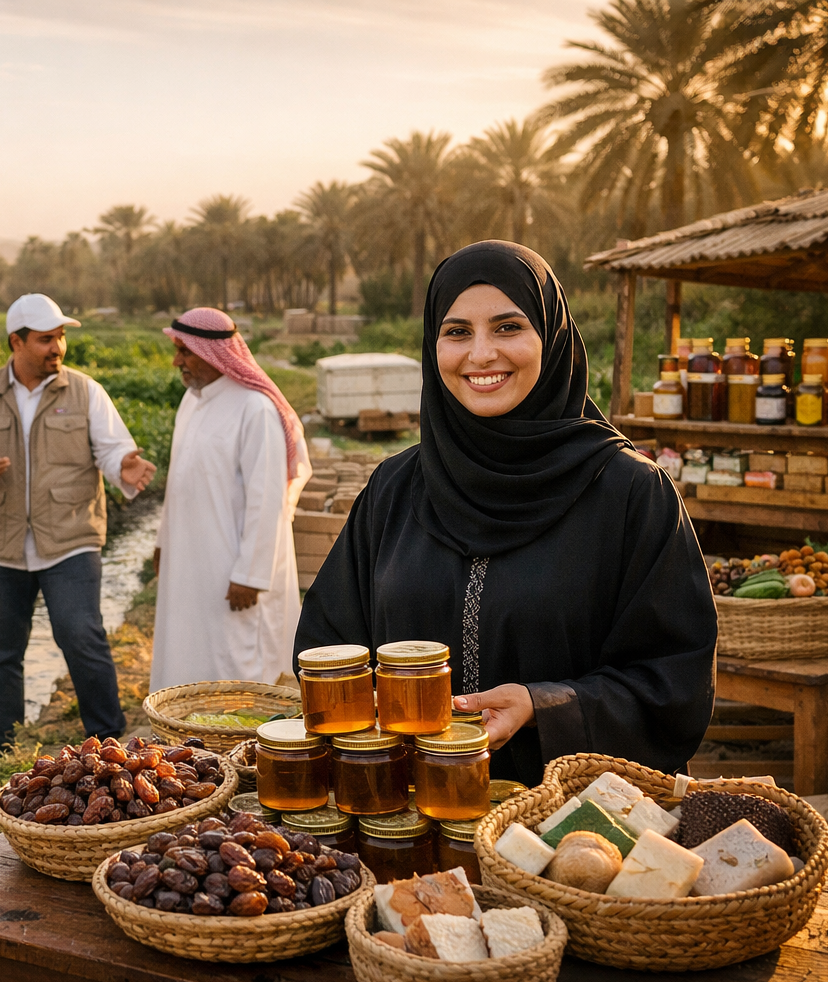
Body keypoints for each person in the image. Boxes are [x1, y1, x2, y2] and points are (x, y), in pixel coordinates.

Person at [294, 241, 716, 787]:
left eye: (509, 327)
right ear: (432, 344)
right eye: (457, 332)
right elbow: (327, 642)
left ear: (552, 337)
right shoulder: (395, 490)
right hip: (406, 818)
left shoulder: (629, 493)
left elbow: (674, 680)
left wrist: (544, 706)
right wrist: (362, 698)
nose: (482, 354)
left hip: (571, 837)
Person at [0, 293, 157, 749]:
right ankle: (0, 746)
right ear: (16, 342)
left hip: (70, 537)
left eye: (60, 337)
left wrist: (125, 465)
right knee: (0, 653)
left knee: (81, 634)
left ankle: (108, 737)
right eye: (46, 339)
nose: (57, 347)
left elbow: (112, 446)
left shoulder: (85, 391)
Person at [150, 307, 311, 691]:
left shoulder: (254, 409)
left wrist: (250, 575)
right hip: (189, 560)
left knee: (237, 660)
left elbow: (267, 500)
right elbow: (180, 482)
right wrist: (161, 541)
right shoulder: (191, 402)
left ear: (210, 351)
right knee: (188, 652)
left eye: (184, 351)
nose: (177, 361)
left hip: (235, 572)